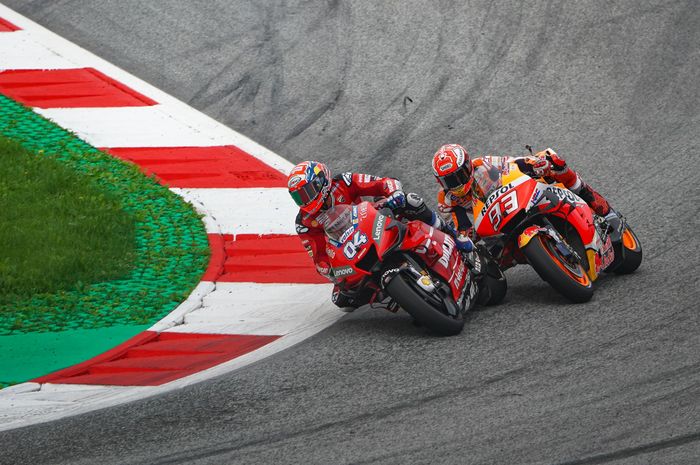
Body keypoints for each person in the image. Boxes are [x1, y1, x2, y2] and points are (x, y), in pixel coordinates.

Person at [288, 160, 470, 310]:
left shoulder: (343, 182)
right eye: (299, 197)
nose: (305, 200)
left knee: (410, 201)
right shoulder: (304, 223)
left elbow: (382, 182)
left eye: (307, 192)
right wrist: (328, 270)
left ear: (322, 182)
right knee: (342, 300)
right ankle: (396, 291)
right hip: (349, 249)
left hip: (371, 221)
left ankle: (453, 235)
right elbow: (318, 255)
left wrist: (394, 193)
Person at [431, 143, 612, 246]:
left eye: (459, 176)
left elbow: (512, 164)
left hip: (517, 196)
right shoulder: (446, 199)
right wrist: (466, 236)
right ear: (440, 182)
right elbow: (460, 226)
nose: (457, 184)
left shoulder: (483, 164)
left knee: (552, 159)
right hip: (495, 224)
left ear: (468, 166)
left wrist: (535, 164)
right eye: (449, 181)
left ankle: (599, 205)